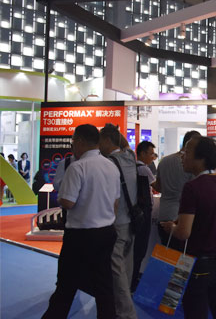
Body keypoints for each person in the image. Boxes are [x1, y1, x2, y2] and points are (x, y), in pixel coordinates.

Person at [42, 124, 120, 319]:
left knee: (66, 285)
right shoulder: (111, 166)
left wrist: (61, 198)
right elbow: (116, 202)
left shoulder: (77, 167)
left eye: (73, 141)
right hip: (106, 231)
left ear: (80, 141)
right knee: (104, 286)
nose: (73, 145)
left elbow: (68, 202)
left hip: (80, 235)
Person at [160, 135, 216, 319]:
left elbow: (183, 233)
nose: (182, 156)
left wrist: (170, 227)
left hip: (196, 263)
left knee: (195, 312)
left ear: (200, 157)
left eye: (187, 152)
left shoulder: (192, 187)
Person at [99, 123, 138, 319]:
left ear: (107, 140)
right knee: (126, 266)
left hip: (117, 221)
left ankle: (126, 313)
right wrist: (115, 132)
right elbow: (125, 144)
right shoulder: (130, 156)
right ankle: (122, 304)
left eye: (100, 141)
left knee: (117, 270)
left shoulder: (108, 163)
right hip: (132, 220)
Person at [155, 130, 199, 251]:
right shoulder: (190, 165)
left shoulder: (164, 161)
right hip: (181, 218)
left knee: (167, 256)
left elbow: (158, 186)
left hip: (163, 215)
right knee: (182, 257)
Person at [131, 140, 157, 292]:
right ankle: (133, 281)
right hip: (144, 213)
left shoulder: (131, 168)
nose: (153, 157)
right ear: (142, 153)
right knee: (140, 248)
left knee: (134, 248)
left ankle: (132, 278)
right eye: (151, 154)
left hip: (134, 212)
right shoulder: (144, 169)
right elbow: (157, 186)